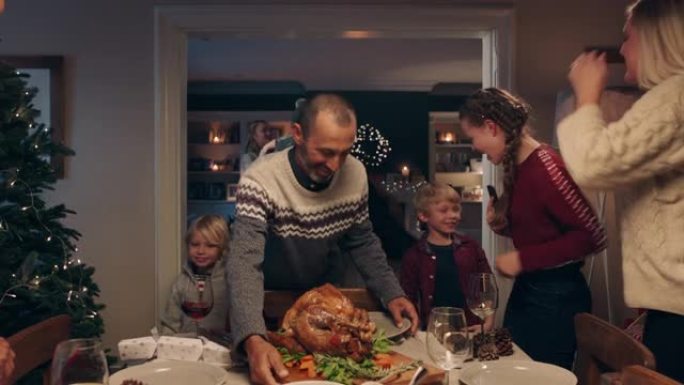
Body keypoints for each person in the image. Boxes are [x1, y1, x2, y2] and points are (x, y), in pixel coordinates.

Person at [227, 93, 419, 385]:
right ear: (298, 134)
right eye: (326, 152)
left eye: (345, 152)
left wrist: (392, 292)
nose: (335, 165)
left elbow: (362, 241)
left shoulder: (355, 173)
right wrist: (253, 338)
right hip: (267, 307)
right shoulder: (260, 180)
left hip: (329, 309)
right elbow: (244, 262)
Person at [558, 0, 684, 380]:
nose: (623, 49)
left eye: (628, 37)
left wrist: (586, 97)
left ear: (657, 39)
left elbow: (594, 163)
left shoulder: (675, 97)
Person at [459, 88, 606, 369]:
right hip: (530, 290)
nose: (474, 147)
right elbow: (543, 230)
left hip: (556, 300)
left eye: (472, 137)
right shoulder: (519, 166)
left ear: (491, 127)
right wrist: (503, 226)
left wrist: (523, 259)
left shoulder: (548, 167)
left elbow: (590, 236)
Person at [399, 182, 493, 332]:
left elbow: (487, 288)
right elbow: (407, 297)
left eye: (456, 209)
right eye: (443, 210)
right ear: (423, 215)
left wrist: (488, 323)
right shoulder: (414, 256)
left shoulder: (471, 247)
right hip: (433, 333)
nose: (453, 215)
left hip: (469, 330)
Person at [160, 215, 230, 335]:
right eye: (195, 244)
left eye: (210, 246)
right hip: (184, 348)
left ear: (222, 249)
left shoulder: (229, 282)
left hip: (219, 349)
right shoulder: (181, 283)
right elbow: (170, 325)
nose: (201, 251)